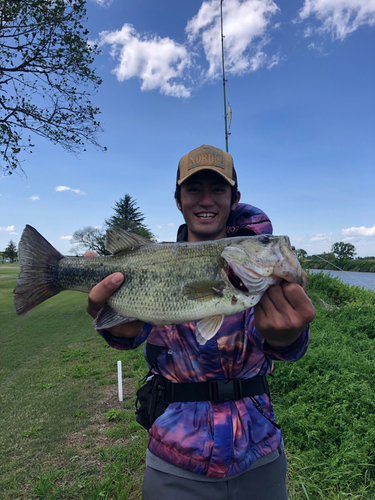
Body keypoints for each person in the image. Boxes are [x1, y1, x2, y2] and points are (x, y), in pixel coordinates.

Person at [85, 144, 316, 500]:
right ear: (178, 200)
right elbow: (131, 337)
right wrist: (117, 329)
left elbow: (291, 347)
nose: (205, 200)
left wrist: (287, 339)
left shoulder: (264, 277)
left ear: (234, 198)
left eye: (217, 189)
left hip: (259, 452)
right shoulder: (154, 260)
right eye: (193, 189)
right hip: (174, 457)